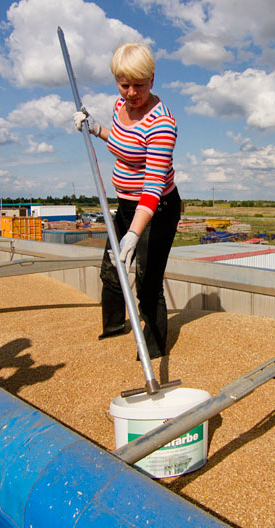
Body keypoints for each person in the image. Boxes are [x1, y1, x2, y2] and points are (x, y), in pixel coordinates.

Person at [73, 42, 181, 359]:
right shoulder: (120, 103)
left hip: (156, 209)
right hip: (126, 205)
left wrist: (134, 234)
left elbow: (152, 187)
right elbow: (122, 143)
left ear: (152, 79)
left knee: (147, 285)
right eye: (125, 84)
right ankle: (113, 331)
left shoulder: (161, 125)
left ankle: (153, 349)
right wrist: (96, 129)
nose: (132, 92)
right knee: (112, 271)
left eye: (139, 84)